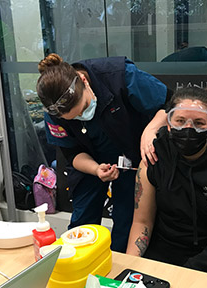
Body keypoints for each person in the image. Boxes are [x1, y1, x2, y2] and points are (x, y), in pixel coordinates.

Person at [36, 53, 172, 252]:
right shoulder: (54, 111)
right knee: (81, 225)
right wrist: (95, 169)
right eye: (74, 118)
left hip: (132, 154)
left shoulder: (119, 75)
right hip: (89, 163)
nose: (82, 116)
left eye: (82, 108)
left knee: (127, 221)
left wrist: (151, 130)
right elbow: (71, 154)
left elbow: (170, 103)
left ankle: (120, 271)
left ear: (83, 80)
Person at [126, 87, 207, 280]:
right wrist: (132, 266)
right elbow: (142, 222)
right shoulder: (155, 156)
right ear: (169, 123)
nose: (188, 129)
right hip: (162, 254)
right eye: (179, 121)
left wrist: (187, 271)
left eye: (199, 123)